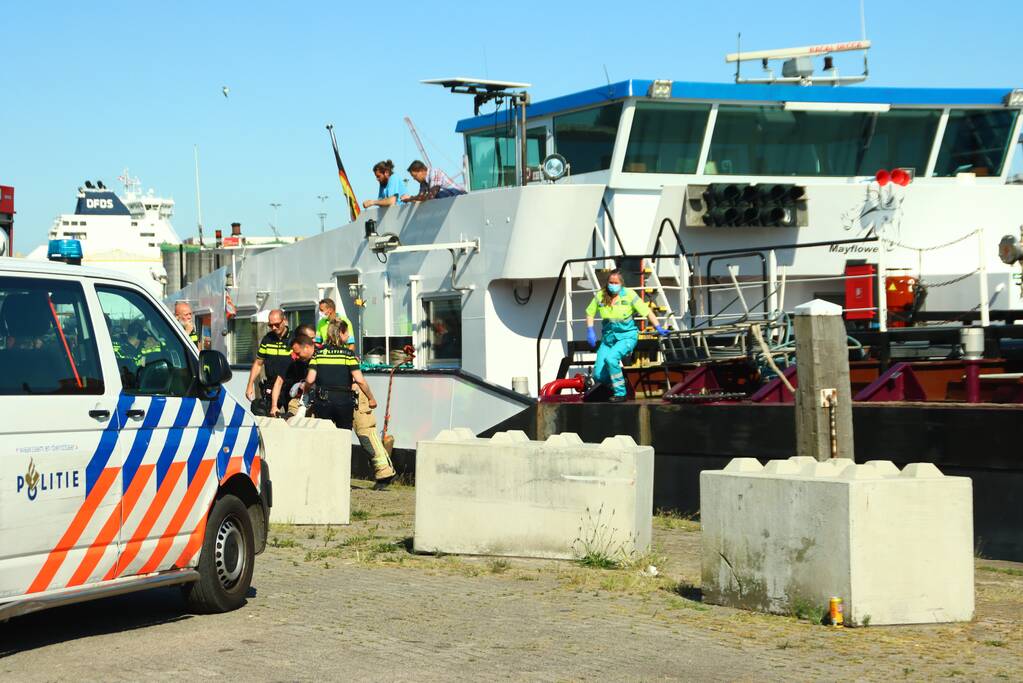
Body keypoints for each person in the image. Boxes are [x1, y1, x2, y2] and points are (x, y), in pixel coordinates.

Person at [585, 269, 668, 402]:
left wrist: (658, 326)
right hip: (608, 339)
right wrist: (590, 330)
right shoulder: (601, 295)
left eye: (615, 282)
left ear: (621, 284)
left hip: (627, 336)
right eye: (610, 282)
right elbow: (590, 312)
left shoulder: (629, 295)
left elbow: (647, 312)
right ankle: (618, 382)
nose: (612, 285)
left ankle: (621, 393)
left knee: (611, 359)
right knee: (598, 376)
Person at [305, 319, 377, 433]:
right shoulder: (348, 354)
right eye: (347, 332)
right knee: (343, 437)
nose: (348, 335)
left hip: (322, 400)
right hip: (343, 401)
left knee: (324, 436)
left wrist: (305, 393)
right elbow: (360, 380)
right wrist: (371, 398)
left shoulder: (318, 354)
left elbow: (309, 380)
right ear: (341, 333)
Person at [246, 309, 290, 415]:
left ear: (284, 321)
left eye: (277, 324)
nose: (274, 328)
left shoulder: (293, 339)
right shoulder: (267, 339)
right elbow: (258, 363)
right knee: (269, 417)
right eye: (271, 325)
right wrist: (250, 384)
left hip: (289, 386)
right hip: (271, 384)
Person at [270, 334, 316, 418]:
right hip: (299, 398)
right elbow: (279, 381)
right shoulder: (291, 359)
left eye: (298, 353)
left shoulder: (322, 356)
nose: (296, 357)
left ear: (306, 347)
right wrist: (274, 406)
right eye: (294, 353)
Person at [400, 160, 465, 203]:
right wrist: (410, 199)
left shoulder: (434, 172)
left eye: (415, 176)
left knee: (439, 194)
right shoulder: (423, 182)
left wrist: (410, 198)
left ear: (422, 171)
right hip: (449, 197)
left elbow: (431, 195)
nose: (414, 179)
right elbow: (420, 196)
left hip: (459, 194)